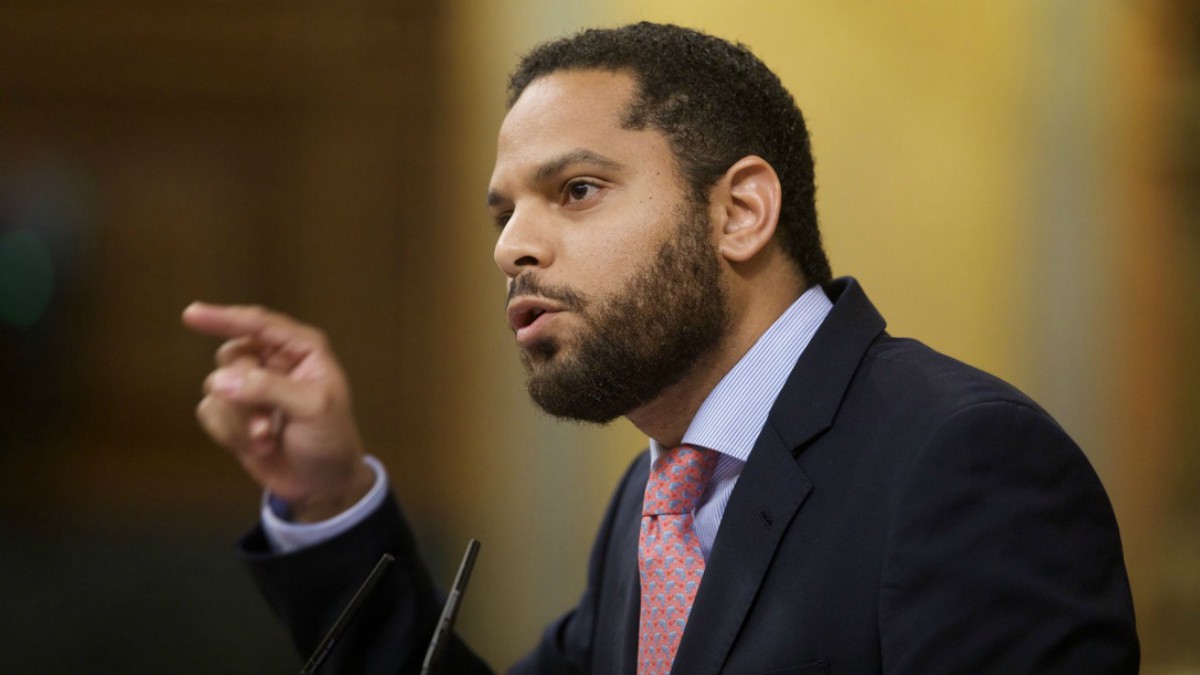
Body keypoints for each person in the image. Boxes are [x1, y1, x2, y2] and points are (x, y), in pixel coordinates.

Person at [183, 22, 1138, 674]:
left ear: (740, 211)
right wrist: (329, 496)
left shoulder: (963, 461)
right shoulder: (659, 498)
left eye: (577, 190)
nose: (512, 245)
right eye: (504, 209)